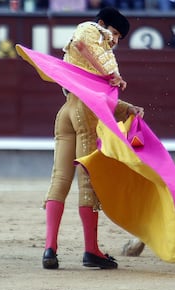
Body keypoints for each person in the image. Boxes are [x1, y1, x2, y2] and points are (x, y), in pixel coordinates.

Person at [42, 7, 144, 270]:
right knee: (88, 180)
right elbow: (81, 48)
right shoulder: (91, 32)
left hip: (66, 111)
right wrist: (109, 74)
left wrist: (127, 108)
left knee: (60, 178)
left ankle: (49, 249)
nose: (115, 39)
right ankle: (91, 251)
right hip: (84, 114)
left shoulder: (92, 41)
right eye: (114, 32)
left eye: (119, 36)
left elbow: (99, 97)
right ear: (102, 23)